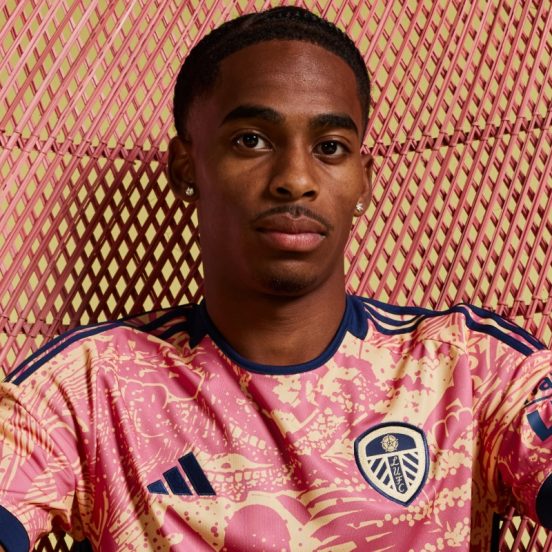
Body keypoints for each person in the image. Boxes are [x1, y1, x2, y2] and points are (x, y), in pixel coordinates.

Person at [0, 5, 550, 551]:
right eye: (251, 140)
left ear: (362, 179)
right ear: (186, 168)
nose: (295, 179)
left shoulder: (467, 367)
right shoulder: (91, 386)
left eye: (330, 148)